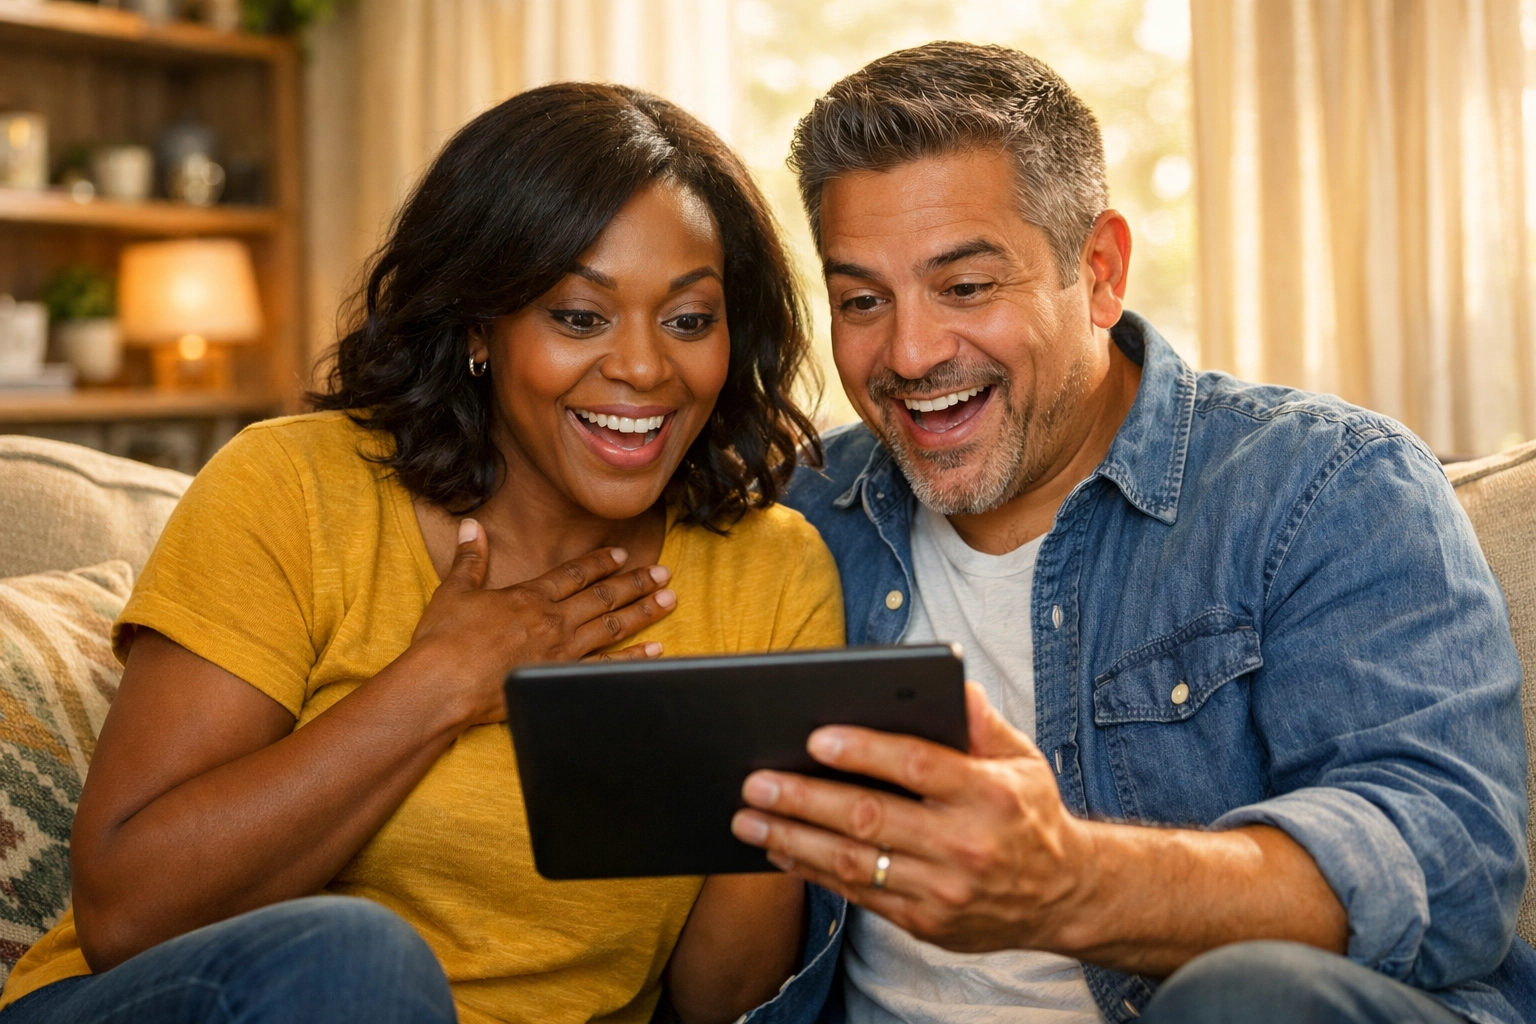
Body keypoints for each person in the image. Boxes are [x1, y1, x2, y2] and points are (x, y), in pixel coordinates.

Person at [0, 83, 845, 1024]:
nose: (645, 368)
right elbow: (125, 909)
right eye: (579, 316)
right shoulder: (296, 490)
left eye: (689, 320)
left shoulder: (772, 574)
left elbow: (718, 1005)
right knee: (356, 956)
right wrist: (442, 681)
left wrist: (772, 820)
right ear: (480, 325)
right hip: (175, 1004)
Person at [731, 41, 1536, 1024]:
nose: (909, 352)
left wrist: (1072, 880)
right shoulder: (796, 517)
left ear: (1099, 270)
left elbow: (1447, 860)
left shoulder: (1325, 484)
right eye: (863, 300)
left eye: (967, 286)